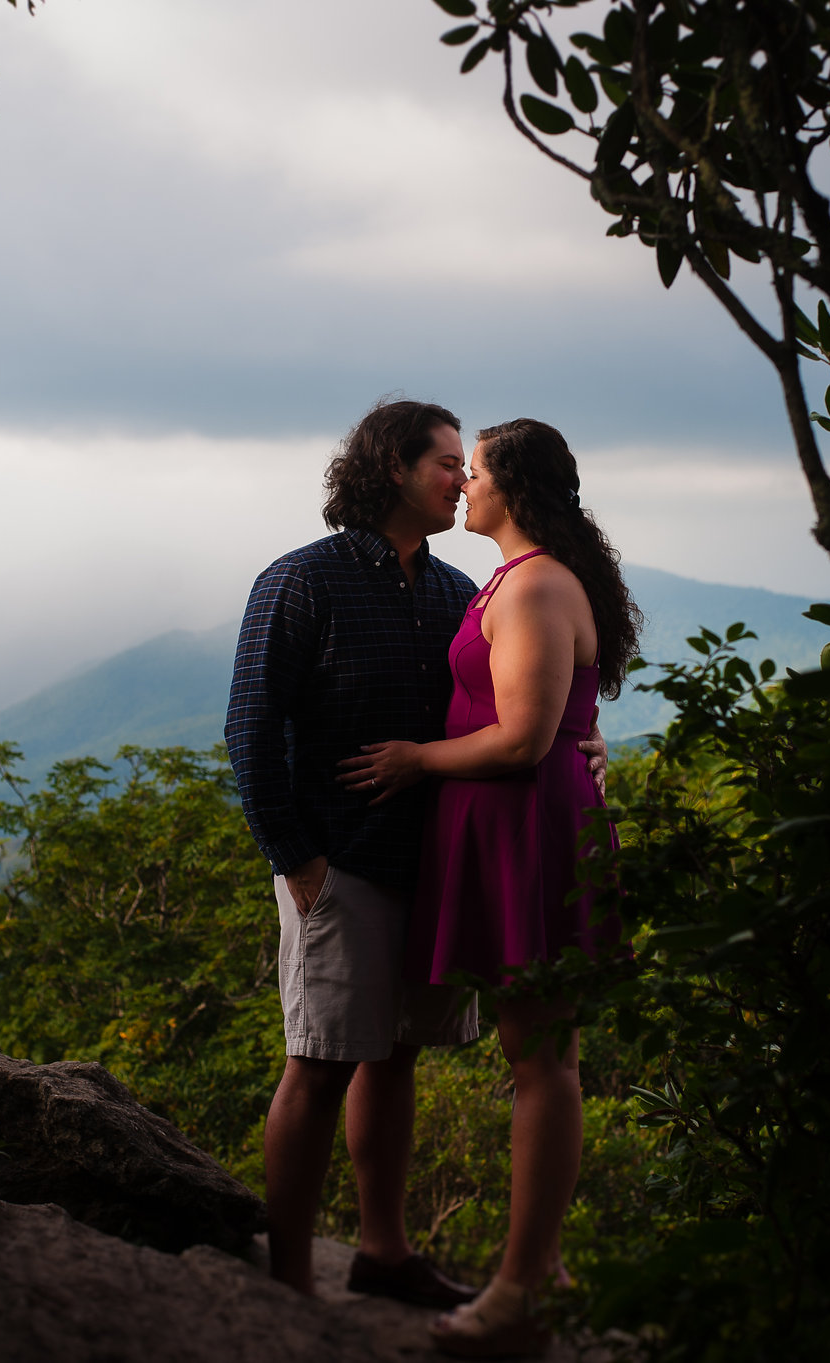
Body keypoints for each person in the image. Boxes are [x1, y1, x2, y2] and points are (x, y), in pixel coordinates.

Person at [336, 418, 640, 1358]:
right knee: (535, 1054)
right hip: (503, 827)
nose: (463, 484)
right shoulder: (514, 580)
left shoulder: (540, 581)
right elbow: (555, 721)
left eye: (476, 472)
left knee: (540, 1060)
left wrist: (417, 758)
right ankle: (537, 1273)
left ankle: (521, 1287)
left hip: (526, 832)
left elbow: (521, 736)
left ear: (515, 488)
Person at [225, 398, 485, 1307]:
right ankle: (288, 1279)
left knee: (397, 1054)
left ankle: (383, 1253)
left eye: (464, 464)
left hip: (429, 865)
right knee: (320, 1057)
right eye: (448, 462)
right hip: (337, 865)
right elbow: (251, 728)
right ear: (391, 470)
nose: (464, 478)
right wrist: (298, 860)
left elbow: (493, 719)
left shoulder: (458, 593)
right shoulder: (303, 581)